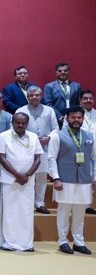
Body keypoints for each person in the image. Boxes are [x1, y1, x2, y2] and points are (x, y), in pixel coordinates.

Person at [47, 106, 95, 255]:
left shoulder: (90, 136)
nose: (76, 120)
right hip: (64, 180)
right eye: (73, 117)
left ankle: (79, 242)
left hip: (85, 180)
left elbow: (94, 159)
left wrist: (94, 178)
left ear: (83, 119)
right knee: (64, 211)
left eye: (79, 117)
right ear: (67, 118)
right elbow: (51, 158)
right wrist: (55, 178)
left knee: (80, 212)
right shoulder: (57, 136)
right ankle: (63, 241)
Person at [0, 112, 42, 252]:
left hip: (28, 181)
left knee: (26, 212)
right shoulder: (4, 136)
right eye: (17, 122)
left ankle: (26, 244)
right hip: (10, 180)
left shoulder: (33, 137)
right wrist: (17, 175)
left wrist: (26, 175)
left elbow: (38, 159)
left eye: (23, 123)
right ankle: (9, 243)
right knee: (10, 213)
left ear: (27, 124)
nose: (20, 125)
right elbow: (2, 158)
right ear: (12, 122)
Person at [16, 86, 59, 214]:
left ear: (41, 96)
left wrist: (49, 137)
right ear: (27, 97)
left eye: (37, 95)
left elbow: (56, 128)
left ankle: (39, 203)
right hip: (26, 149)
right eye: (31, 95)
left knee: (41, 177)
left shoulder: (49, 110)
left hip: (44, 149)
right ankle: (26, 203)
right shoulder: (20, 110)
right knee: (28, 176)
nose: (34, 97)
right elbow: (16, 130)